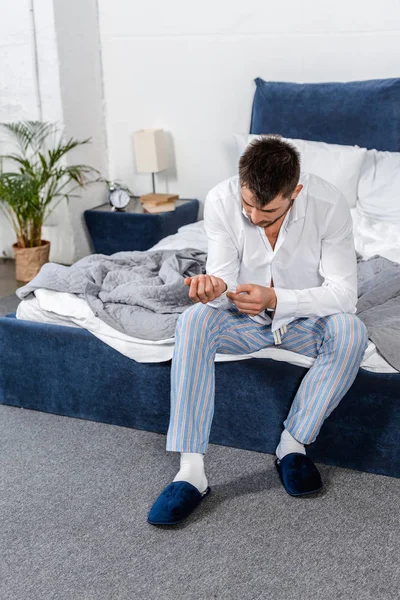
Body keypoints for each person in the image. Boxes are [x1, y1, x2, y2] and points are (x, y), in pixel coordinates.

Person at [147, 134, 369, 526]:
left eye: (267, 212)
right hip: (242, 321)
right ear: (240, 182)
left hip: (303, 323)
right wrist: (212, 288)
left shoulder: (329, 204)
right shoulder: (221, 200)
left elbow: (344, 295)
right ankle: (191, 472)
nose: (253, 217)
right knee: (194, 320)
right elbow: (222, 278)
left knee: (352, 331)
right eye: (248, 204)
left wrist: (277, 299)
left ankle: (293, 445)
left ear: (295, 192)